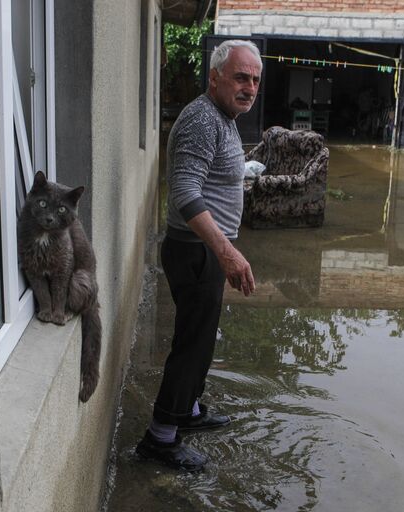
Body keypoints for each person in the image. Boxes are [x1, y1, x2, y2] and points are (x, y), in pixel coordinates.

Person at [136, 40, 261, 471]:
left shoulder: (224, 118)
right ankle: (160, 438)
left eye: (255, 80)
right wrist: (227, 253)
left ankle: (187, 412)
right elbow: (185, 192)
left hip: (205, 252)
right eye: (241, 77)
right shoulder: (201, 120)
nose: (250, 87)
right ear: (215, 77)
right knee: (191, 346)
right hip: (197, 253)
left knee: (202, 340)